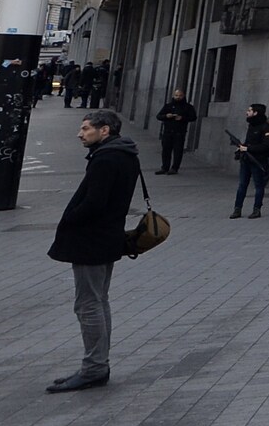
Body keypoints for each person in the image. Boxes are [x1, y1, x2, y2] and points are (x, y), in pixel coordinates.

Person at [46, 110, 142, 393]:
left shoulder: (106, 159)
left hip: (91, 240)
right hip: (107, 238)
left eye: (87, 128)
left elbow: (95, 203)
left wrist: (69, 218)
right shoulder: (125, 155)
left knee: (88, 305)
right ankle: (96, 365)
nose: (80, 133)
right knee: (99, 301)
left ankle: (94, 368)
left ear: (105, 131)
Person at [231, 104, 269, 219]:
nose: (247, 112)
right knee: (242, 185)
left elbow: (266, 145)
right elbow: (249, 142)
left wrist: (248, 148)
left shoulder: (266, 127)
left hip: (258, 161)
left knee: (259, 186)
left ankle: (257, 209)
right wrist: (241, 147)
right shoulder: (251, 125)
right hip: (246, 160)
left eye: (250, 110)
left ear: (256, 113)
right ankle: (237, 209)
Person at [154, 87, 196, 174]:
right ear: (173, 96)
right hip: (167, 132)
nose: (178, 97)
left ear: (183, 96)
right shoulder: (168, 106)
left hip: (179, 133)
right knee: (166, 151)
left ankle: (174, 168)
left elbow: (193, 117)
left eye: (180, 95)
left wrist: (182, 118)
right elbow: (158, 116)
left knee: (178, 151)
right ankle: (164, 167)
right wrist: (166, 116)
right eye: (176, 95)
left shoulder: (188, 107)